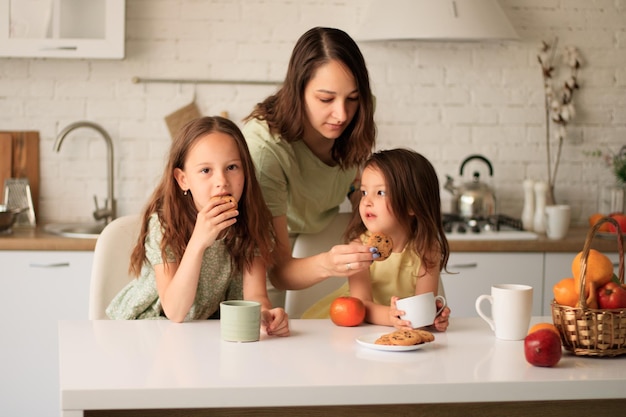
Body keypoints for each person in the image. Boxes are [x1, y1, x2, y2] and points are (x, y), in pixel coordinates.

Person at [106, 116, 290, 337]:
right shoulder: (164, 225)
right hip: (148, 329)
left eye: (232, 167)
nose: (222, 181)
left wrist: (267, 315)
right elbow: (175, 311)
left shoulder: (251, 223)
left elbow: (256, 296)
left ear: (246, 172)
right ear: (183, 179)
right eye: (206, 171)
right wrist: (199, 241)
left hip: (200, 332)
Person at [242, 27, 377, 298]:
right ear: (297, 91)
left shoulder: (358, 113)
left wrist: (361, 206)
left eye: (352, 98)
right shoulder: (266, 148)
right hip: (268, 262)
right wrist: (328, 263)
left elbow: (352, 179)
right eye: (325, 99)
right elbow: (278, 271)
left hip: (323, 244)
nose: (341, 115)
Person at [302, 149, 451, 332]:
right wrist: (391, 316)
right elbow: (361, 305)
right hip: (351, 325)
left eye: (380, 193)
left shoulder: (428, 249)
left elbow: (422, 304)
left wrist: (433, 317)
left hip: (395, 328)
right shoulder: (359, 248)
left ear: (412, 205)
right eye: (364, 192)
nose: (366, 201)